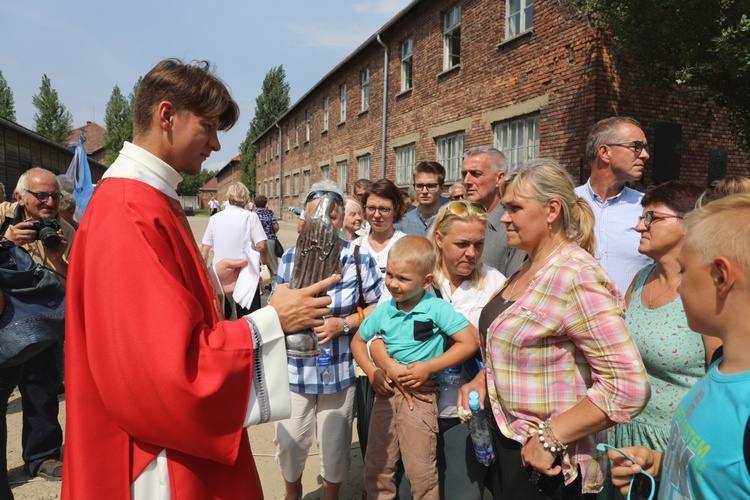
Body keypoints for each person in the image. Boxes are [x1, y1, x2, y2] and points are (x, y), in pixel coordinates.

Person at [62, 58, 340, 500]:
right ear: (166, 115)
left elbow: (145, 314)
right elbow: (168, 369)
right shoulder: (127, 210)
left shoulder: (144, 196)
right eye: (207, 127)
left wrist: (209, 282)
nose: (214, 144)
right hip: (153, 454)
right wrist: (272, 320)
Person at [459, 159, 650, 498]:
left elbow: (627, 387)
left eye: (515, 208)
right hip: (511, 449)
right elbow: (516, 345)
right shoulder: (528, 266)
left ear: (552, 210)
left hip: (552, 467)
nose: (503, 218)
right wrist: (482, 379)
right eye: (504, 208)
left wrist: (551, 437)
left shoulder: (577, 276)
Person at [609, 193, 750, 499]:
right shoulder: (720, 370)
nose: (679, 284)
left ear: (721, 277)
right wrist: (659, 464)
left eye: (685, 271)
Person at [374, 200, 506, 499]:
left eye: (479, 244)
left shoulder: (494, 283)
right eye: (462, 244)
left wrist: (456, 330)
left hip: (464, 413)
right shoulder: (411, 276)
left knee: (463, 494)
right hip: (412, 405)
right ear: (439, 240)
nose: (471, 253)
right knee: (411, 491)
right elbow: (375, 336)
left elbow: (503, 351)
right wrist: (387, 368)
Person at [271, 180, 382, 500]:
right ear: (304, 217)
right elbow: (275, 308)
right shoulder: (291, 258)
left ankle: (330, 496)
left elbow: (379, 305)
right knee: (290, 442)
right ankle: (292, 493)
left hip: (338, 371)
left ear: (341, 218)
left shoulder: (359, 259)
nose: (323, 221)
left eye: (332, 215)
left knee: (334, 447)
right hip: (295, 371)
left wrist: (344, 324)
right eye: (314, 214)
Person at [352, 235, 479, 499]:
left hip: (420, 398)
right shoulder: (384, 310)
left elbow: (468, 343)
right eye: (390, 275)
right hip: (385, 397)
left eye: (403, 278)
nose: (393, 284)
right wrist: (373, 371)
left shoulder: (437, 309)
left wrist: (428, 367)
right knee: (377, 465)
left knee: (420, 472)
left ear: (426, 281)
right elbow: (358, 340)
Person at [0, 168, 73, 491]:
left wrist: (57, 259)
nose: (49, 202)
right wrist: (6, 241)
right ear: (19, 197)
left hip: (43, 324)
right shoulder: (1, 216)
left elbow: (73, 285)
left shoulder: (65, 229)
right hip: (4, 322)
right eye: (41, 195)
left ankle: (42, 455)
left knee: (42, 389)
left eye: (54, 196)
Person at [353, 178, 407, 458]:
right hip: (362, 348)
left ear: (396, 209)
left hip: (397, 345)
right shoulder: (354, 247)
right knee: (368, 419)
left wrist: (357, 318)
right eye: (371, 207)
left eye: (384, 208)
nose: (377, 214)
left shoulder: (406, 245)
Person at [575, 117, 652, 294]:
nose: (645, 155)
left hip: (627, 319)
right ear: (605, 152)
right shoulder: (565, 203)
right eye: (636, 147)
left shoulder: (648, 208)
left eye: (645, 148)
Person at [201, 182, 268, 317]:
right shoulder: (251, 216)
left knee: (222, 318)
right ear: (246, 199)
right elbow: (261, 245)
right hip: (245, 273)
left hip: (220, 275)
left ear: (229, 198)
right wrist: (263, 262)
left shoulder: (214, 218)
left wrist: (203, 274)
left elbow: (205, 249)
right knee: (250, 319)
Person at [461, 146, 525, 276]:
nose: (467, 181)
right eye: (464, 174)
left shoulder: (514, 225)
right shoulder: (458, 219)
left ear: (499, 178)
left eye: (476, 174)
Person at [395, 161, 448, 236]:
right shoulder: (402, 224)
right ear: (414, 187)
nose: (424, 191)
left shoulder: (451, 221)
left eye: (430, 186)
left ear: (442, 188)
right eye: (420, 186)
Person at [253, 195, 280, 288]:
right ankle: (275, 284)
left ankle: (261, 286)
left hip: (257, 241)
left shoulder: (252, 214)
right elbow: (276, 227)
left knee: (259, 264)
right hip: (270, 240)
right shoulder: (270, 213)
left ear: (255, 203)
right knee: (273, 264)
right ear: (266, 203)